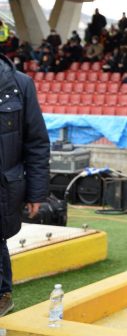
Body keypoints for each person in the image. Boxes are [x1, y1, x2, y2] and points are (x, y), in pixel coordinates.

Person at [0, 52, 50, 316]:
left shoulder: (20, 84)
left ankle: (3, 295)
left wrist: (36, 193)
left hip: (5, 186)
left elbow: (37, 143)